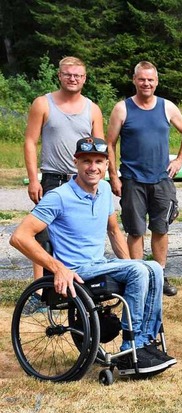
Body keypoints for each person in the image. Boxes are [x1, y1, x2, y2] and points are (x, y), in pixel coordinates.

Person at [10, 137, 176, 376]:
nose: (93, 167)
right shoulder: (59, 197)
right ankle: (133, 348)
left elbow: (114, 230)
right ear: (75, 162)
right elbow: (19, 237)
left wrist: (131, 264)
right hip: (76, 269)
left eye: (99, 161)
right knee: (140, 270)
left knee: (153, 268)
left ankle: (146, 342)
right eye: (86, 161)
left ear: (107, 164)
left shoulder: (106, 190)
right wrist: (57, 268)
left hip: (99, 264)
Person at [106, 61, 182, 297]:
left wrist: (179, 160)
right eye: (142, 79)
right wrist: (113, 176)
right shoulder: (122, 109)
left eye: (151, 80)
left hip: (161, 179)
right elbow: (110, 144)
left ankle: (159, 275)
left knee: (160, 228)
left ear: (157, 81)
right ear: (134, 80)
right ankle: (139, 276)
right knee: (135, 230)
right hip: (132, 179)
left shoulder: (167, 107)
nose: (146, 84)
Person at [24, 56, 104, 279]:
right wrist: (33, 179)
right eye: (68, 74)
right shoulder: (43, 103)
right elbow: (30, 141)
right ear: (59, 75)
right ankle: (39, 290)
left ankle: (79, 278)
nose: (72, 78)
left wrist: (105, 178)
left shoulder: (92, 109)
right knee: (43, 234)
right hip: (53, 178)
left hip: (82, 180)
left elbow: (101, 150)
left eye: (77, 75)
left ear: (84, 78)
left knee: (79, 232)